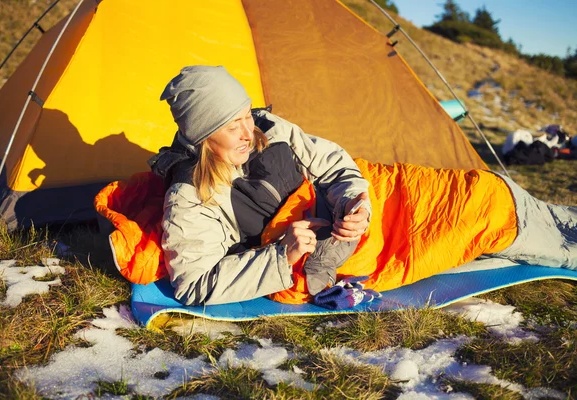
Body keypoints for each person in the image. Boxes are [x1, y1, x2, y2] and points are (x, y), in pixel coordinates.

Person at [150, 65, 577, 307]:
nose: (248, 130)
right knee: (486, 211)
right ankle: (565, 241)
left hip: (367, 202)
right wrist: (281, 255)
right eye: (231, 125)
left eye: (246, 113)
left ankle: (563, 227)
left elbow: (333, 162)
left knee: (480, 189)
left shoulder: (269, 127)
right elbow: (193, 282)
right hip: (336, 246)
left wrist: (355, 201)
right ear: (202, 137)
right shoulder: (191, 195)